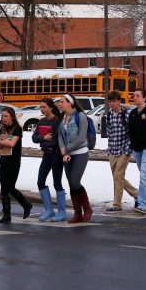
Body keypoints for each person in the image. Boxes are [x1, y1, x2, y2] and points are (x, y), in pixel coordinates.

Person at [58, 93, 93, 223]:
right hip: (67, 154)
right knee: (71, 184)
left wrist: (67, 149)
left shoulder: (80, 116)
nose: (60, 104)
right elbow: (60, 136)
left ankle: (87, 208)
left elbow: (81, 137)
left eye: (62, 102)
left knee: (75, 182)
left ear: (70, 103)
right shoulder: (63, 117)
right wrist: (64, 151)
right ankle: (77, 213)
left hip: (80, 152)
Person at [0, 106, 32, 223]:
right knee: (3, 189)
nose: (3, 118)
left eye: (6, 116)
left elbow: (12, 143)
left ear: (12, 116)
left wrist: (1, 142)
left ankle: (26, 204)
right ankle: (6, 214)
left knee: (10, 187)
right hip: (3, 160)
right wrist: (1, 143)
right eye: (2, 116)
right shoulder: (2, 129)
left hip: (14, 161)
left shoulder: (17, 129)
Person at [32, 97, 66, 221]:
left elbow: (56, 139)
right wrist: (43, 138)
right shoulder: (41, 122)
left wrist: (46, 139)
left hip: (56, 155)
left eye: (44, 107)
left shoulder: (57, 121)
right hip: (46, 154)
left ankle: (62, 212)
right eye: (41, 107)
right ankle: (49, 210)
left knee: (57, 182)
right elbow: (34, 138)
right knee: (40, 181)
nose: (42, 109)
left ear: (51, 107)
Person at [103, 90, 138, 212]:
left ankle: (117, 204)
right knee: (117, 177)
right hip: (113, 149)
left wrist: (128, 149)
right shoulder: (108, 115)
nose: (111, 104)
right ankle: (137, 195)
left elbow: (132, 133)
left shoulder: (126, 114)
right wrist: (109, 149)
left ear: (119, 101)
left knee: (118, 175)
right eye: (110, 101)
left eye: (114, 101)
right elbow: (110, 133)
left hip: (124, 149)